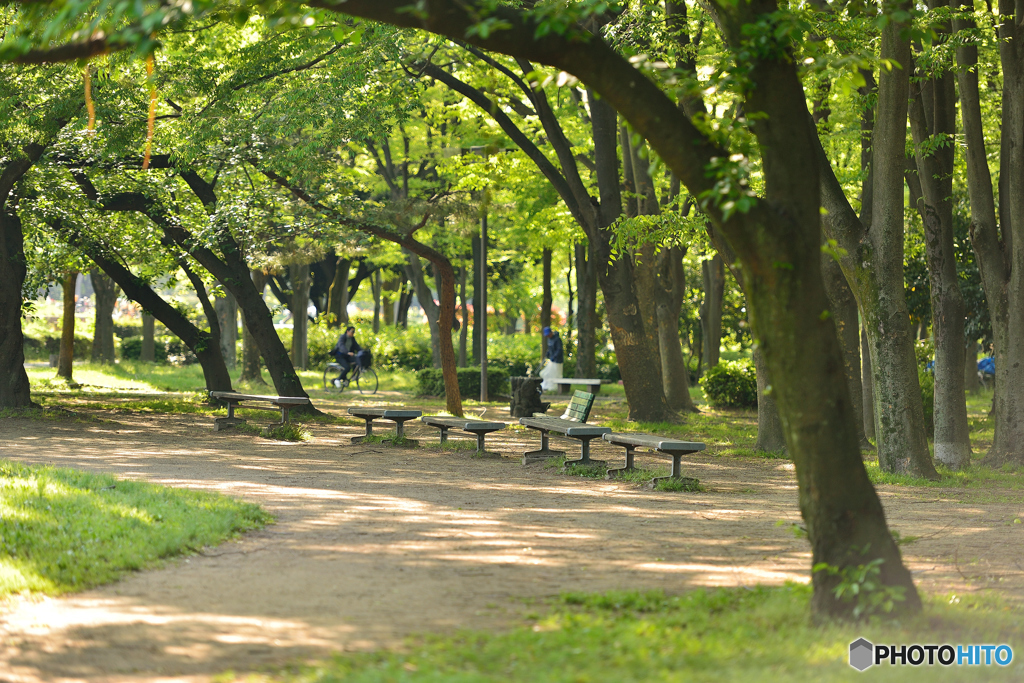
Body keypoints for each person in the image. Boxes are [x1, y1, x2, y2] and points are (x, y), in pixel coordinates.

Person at [540, 326, 564, 392]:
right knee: (545, 373)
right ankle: (546, 386)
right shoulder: (549, 339)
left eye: (548, 334)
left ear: (551, 332)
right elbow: (550, 348)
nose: (547, 336)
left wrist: (555, 356)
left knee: (556, 374)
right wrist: (548, 353)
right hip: (552, 360)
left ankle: (555, 387)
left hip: (557, 361)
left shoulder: (557, 339)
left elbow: (559, 350)